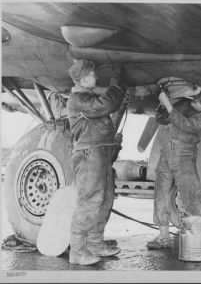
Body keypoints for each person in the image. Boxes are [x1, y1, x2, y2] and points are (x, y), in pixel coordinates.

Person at [67, 59, 126, 265]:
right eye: (92, 75)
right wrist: (117, 83)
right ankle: (78, 249)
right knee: (91, 199)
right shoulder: (78, 99)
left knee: (105, 198)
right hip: (89, 154)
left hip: (100, 152)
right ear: (83, 79)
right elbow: (107, 104)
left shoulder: (86, 97)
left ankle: (94, 242)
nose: (96, 77)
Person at [147, 90, 201, 249]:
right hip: (167, 152)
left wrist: (168, 104)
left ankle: (197, 242)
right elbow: (163, 118)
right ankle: (163, 236)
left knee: (191, 196)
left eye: (198, 101)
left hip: (184, 156)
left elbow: (185, 125)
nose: (194, 101)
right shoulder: (187, 109)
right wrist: (164, 103)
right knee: (161, 194)